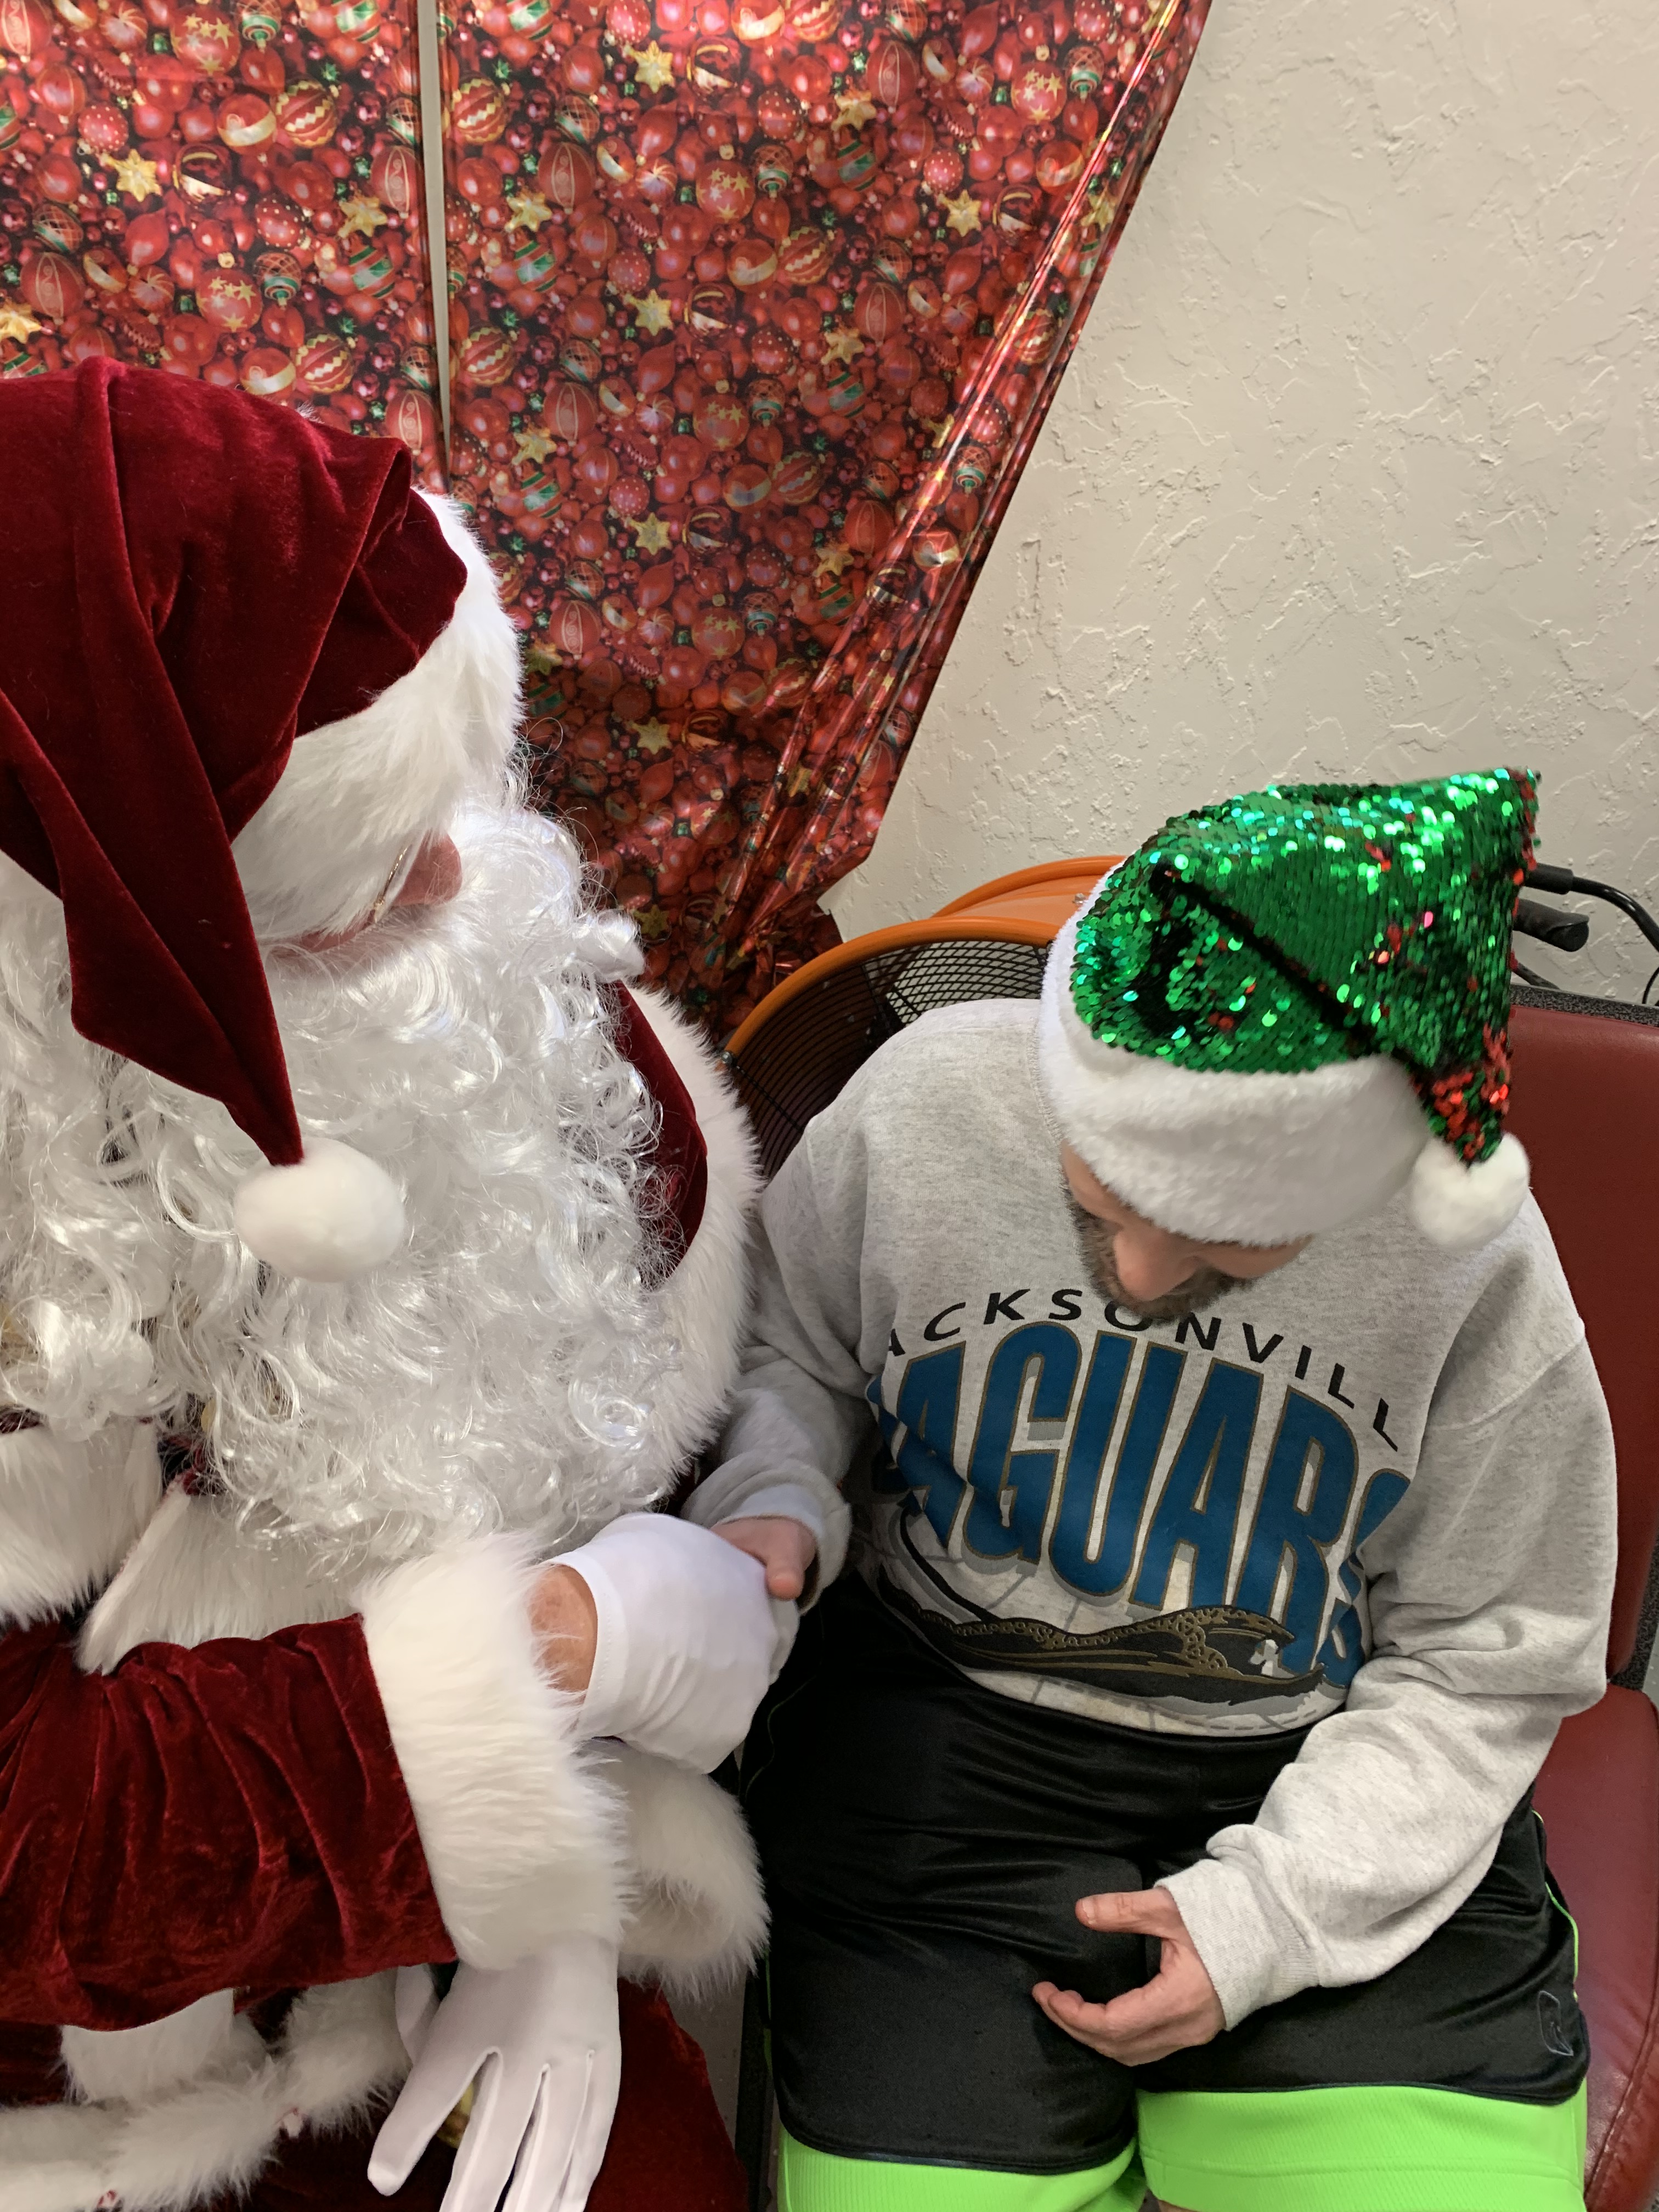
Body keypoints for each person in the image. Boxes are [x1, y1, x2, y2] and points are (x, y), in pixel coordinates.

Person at [0, 360, 793, 2212]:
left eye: (457, 790)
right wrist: (562, 1655)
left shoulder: (535, 1033)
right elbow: (35, 1859)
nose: (455, 877)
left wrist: (548, 1908)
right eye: (354, 870)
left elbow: (656, 1413)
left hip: (439, 1941)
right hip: (66, 2065)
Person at [686, 771, 1616, 2212]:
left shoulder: (1477, 1260)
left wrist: (1272, 1916)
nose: (1133, 1278)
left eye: (1229, 1252)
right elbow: (790, 1346)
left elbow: (1491, 1655)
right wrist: (772, 1488)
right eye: (1101, 1199)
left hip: (1321, 1763)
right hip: (937, 1746)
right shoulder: (927, 1099)